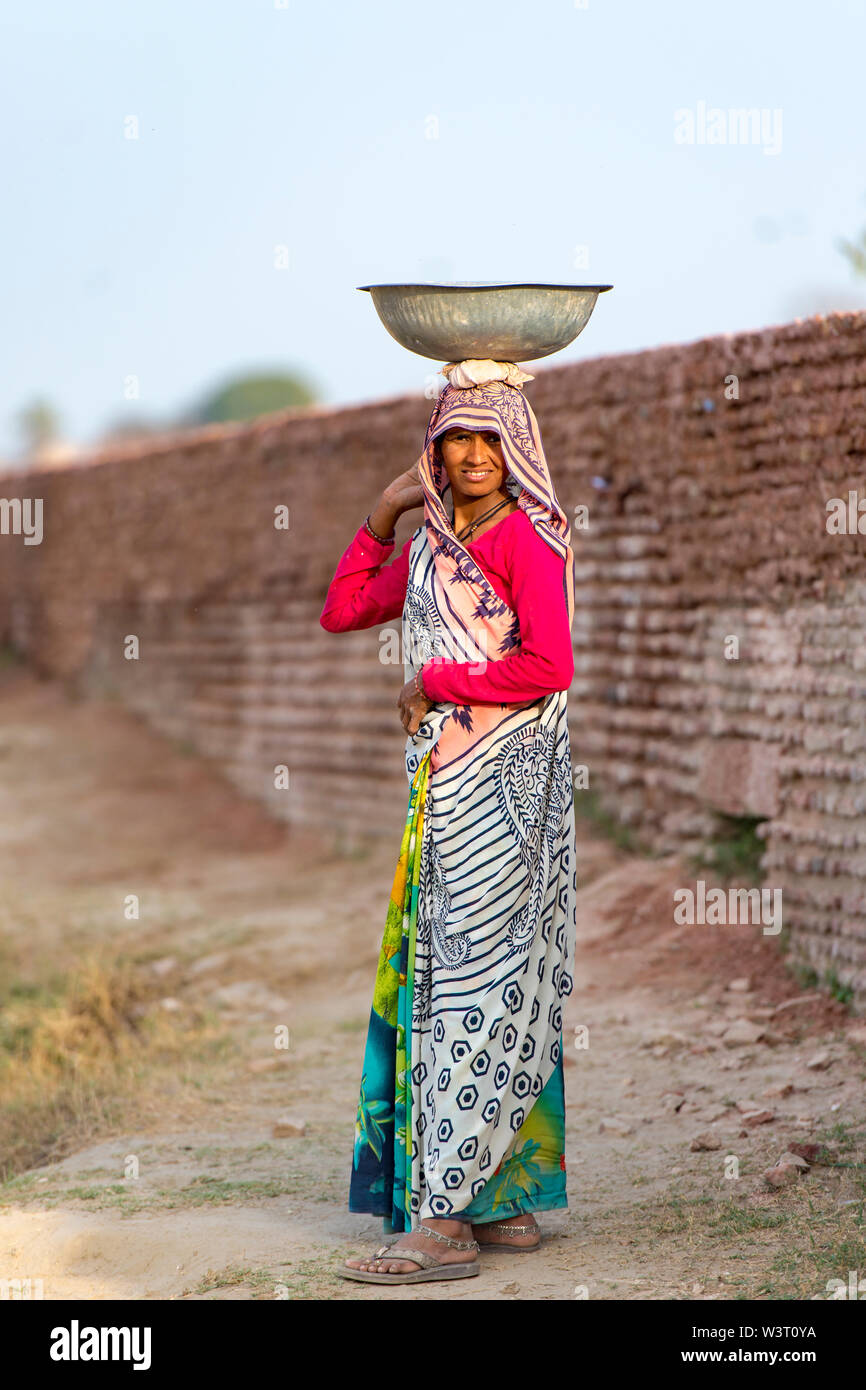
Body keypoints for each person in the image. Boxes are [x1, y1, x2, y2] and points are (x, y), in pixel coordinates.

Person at [319, 360, 578, 1284]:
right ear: (434, 448)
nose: (472, 456)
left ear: (517, 450)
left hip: (506, 789)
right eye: (454, 439)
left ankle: (446, 1219)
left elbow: (550, 665)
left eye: (488, 439)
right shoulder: (433, 548)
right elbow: (343, 610)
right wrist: (383, 515)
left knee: (475, 978)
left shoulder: (525, 543)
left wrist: (437, 680)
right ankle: (499, 1200)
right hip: (446, 788)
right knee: (449, 973)